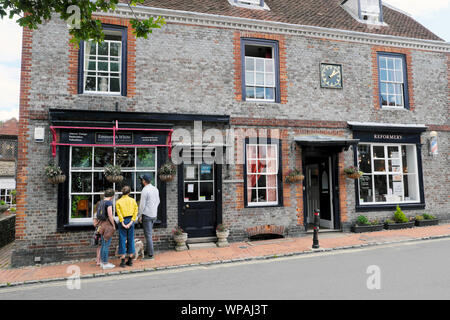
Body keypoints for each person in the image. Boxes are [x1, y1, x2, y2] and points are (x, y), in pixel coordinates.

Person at [116, 185, 138, 267]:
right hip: (131, 221)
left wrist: (122, 223)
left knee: (122, 240)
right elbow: (136, 211)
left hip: (123, 221)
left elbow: (119, 213)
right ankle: (130, 260)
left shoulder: (118, 201)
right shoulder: (133, 200)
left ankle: (122, 261)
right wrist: (131, 221)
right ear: (129, 192)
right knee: (131, 239)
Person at [138, 174, 160, 260]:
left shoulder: (145, 190)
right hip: (154, 214)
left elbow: (142, 205)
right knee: (149, 234)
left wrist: (139, 215)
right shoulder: (155, 189)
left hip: (147, 215)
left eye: (142, 180)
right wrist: (154, 209)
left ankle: (150, 255)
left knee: (148, 235)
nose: (141, 181)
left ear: (144, 181)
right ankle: (148, 252)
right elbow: (158, 201)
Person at [97, 188, 116, 269]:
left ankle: (102, 262)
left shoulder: (101, 202)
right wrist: (113, 225)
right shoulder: (109, 203)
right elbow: (110, 215)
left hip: (101, 224)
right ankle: (105, 263)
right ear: (112, 196)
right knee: (106, 244)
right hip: (107, 224)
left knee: (103, 244)